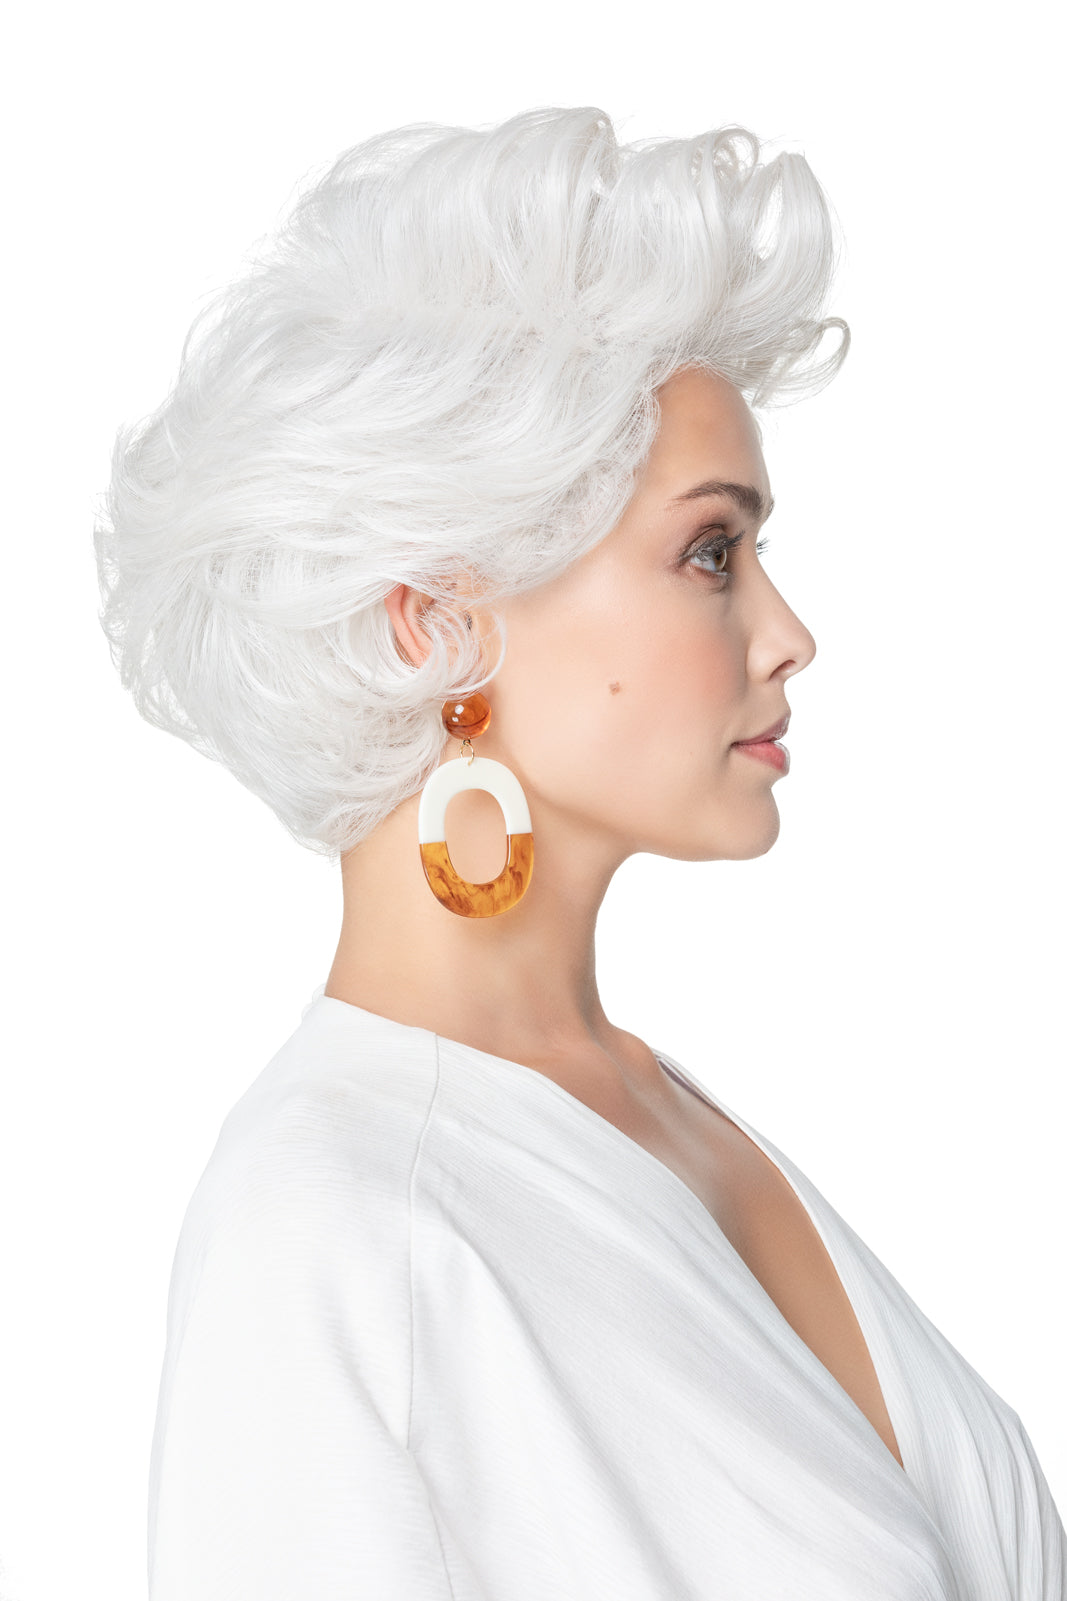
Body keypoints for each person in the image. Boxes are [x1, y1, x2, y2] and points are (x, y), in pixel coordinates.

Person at [94, 106, 1065, 1599]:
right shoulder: (337, 1220)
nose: (790, 633)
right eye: (710, 551)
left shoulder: (665, 1113)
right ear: (436, 622)